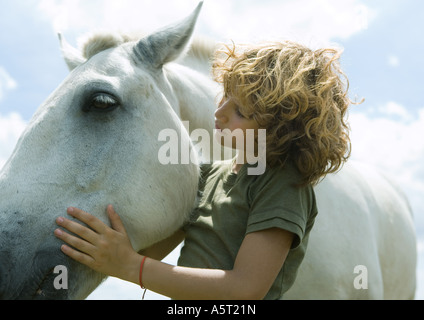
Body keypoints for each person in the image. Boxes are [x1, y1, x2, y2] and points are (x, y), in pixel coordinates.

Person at [54, 40, 352, 300]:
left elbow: (245, 289)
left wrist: (131, 266)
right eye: (226, 97)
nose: (220, 111)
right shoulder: (208, 175)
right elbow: (150, 253)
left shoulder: (281, 184)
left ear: (283, 129)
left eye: (240, 111)